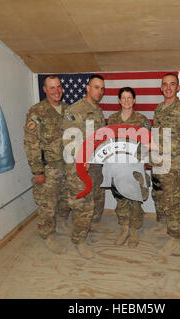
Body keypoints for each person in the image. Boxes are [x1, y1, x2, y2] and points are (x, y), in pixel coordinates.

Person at [61, 74, 107, 259]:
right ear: (88, 88)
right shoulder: (76, 109)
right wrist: (81, 157)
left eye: (102, 88)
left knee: (95, 198)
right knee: (83, 204)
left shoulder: (97, 110)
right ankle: (79, 240)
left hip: (94, 165)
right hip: (78, 167)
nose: (99, 91)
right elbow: (69, 139)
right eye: (96, 87)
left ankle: (89, 228)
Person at [23, 75, 70, 254]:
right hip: (48, 167)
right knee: (47, 204)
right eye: (51, 88)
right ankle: (48, 234)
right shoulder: (37, 112)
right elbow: (31, 143)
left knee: (65, 199)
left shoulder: (67, 109)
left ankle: (62, 224)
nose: (56, 91)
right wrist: (37, 171)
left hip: (66, 165)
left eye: (58, 87)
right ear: (45, 90)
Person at [151, 73, 180, 256]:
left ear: (178, 87)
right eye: (165, 84)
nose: (168, 88)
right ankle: (164, 226)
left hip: (173, 165)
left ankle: (175, 237)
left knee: (173, 201)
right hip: (157, 163)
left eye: (172, 84)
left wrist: (159, 148)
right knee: (159, 196)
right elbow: (155, 134)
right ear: (161, 88)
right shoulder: (159, 109)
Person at [107, 87, 151, 248]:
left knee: (135, 200)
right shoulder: (112, 119)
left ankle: (134, 231)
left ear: (134, 100)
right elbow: (108, 144)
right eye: (123, 98)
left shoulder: (142, 120)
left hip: (135, 167)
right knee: (121, 200)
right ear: (119, 100)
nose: (126, 100)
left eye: (129, 97)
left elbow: (146, 144)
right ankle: (124, 228)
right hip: (118, 167)